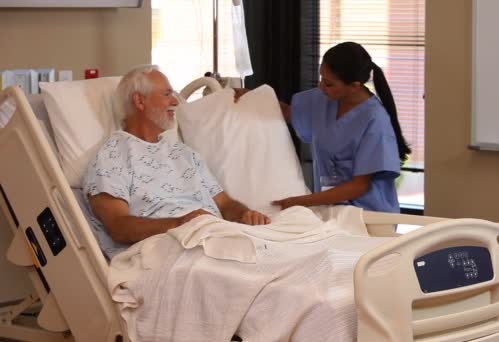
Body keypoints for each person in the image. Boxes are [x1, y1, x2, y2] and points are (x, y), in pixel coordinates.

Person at [83, 65, 270, 259]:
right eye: (166, 94)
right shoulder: (113, 156)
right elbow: (118, 226)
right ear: (139, 101)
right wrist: (180, 223)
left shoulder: (184, 154)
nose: (175, 101)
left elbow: (224, 203)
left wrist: (244, 214)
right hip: (169, 250)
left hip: (215, 237)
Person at [236, 42, 410, 213]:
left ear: (354, 86)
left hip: (370, 214)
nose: (321, 86)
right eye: (322, 79)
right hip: (332, 210)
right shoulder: (324, 98)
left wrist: (299, 202)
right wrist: (254, 98)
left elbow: (358, 186)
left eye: (329, 83)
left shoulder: (375, 121)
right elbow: (290, 113)